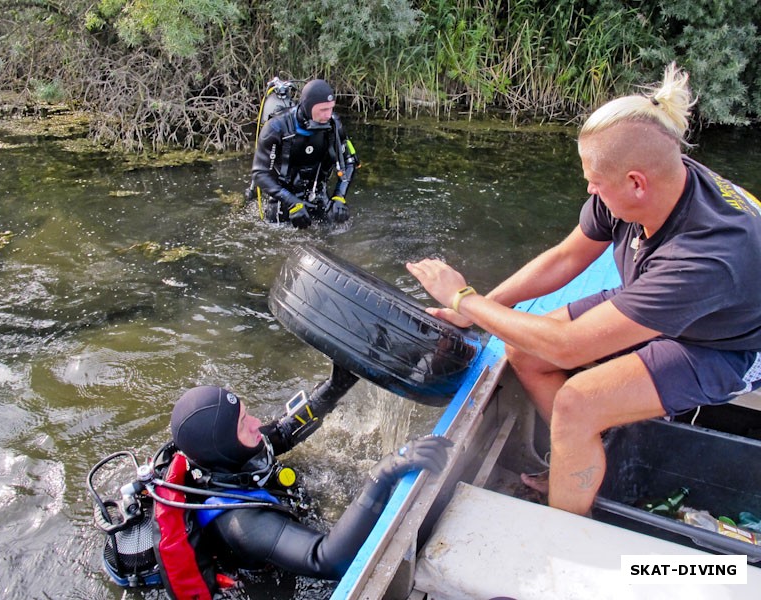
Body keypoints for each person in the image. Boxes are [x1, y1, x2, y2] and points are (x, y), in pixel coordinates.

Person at [405, 62, 761, 517]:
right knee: (525, 352)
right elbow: (565, 257)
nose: (589, 188)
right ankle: (588, 459)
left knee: (577, 403)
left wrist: (461, 297)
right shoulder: (646, 181)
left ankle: (567, 527)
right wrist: (480, 309)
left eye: (595, 179)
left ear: (636, 183)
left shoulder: (708, 255)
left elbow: (569, 348)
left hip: (726, 343)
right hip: (662, 296)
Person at [152, 362, 452, 598]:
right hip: (264, 583)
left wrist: (336, 386)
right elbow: (325, 559)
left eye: (247, 413)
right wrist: (382, 474)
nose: (257, 423)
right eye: (245, 423)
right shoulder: (242, 523)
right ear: (224, 445)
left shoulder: (224, 456)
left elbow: (282, 433)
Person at [250, 78, 358, 228]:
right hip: (284, 197)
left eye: (331, 108)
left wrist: (339, 197)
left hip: (317, 193)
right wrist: (292, 202)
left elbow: (350, 162)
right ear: (308, 106)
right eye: (323, 110)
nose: (328, 115)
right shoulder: (276, 128)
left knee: (333, 231)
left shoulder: (333, 125)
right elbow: (260, 174)